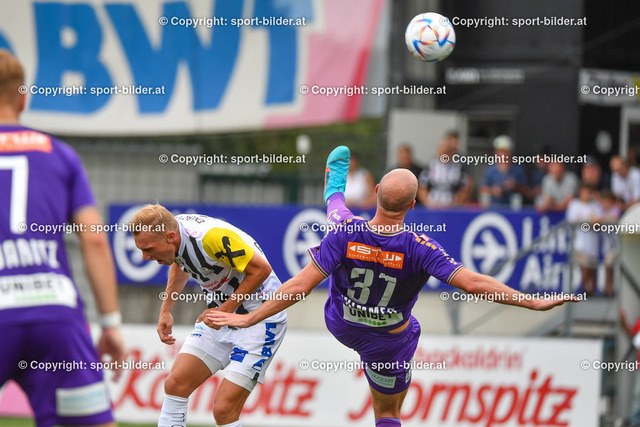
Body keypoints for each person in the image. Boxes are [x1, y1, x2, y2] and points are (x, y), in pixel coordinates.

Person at [206, 146, 575, 427]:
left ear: (377, 189)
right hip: (388, 341)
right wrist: (531, 302)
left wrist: (250, 317)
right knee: (387, 412)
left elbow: (299, 286)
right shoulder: (421, 248)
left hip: (342, 323)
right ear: (413, 205)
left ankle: (334, 188)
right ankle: (334, 191)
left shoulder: (345, 233)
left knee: (339, 216)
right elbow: (475, 283)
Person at [0, 50, 124, 426]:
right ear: (23, 98)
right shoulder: (61, 154)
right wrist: (110, 323)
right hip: (55, 314)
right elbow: (95, 240)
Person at [128, 204, 287, 427]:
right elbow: (180, 260)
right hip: (220, 319)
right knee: (175, 384)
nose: (145, 257)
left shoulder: (210, 238)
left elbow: (261, 270)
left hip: (260, 322)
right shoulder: (175, 235)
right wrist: (166, 310)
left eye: (149, 249)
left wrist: (225, 309)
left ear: (170, 237)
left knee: (224, 410)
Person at [417, 133, 472, 208]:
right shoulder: (430, 166)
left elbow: (465, 188)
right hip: (433, 204)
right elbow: (422, 187)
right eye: (442, 152)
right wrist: (428, 203)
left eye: (447, 152)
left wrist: (457, 204)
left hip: (452, 205)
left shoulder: (459, 168)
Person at [565, 184, 600, 296]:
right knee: (584, 267)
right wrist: (589, 221)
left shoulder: (595, 206)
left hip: (592, 243)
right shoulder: (574, 205)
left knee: (591, 268)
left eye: (589, 192)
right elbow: (572, 221)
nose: (586, 195)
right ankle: (583, 290)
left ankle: (590, 291)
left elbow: (598, 223)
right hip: (579, 243)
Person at [479, 135, 527, 207]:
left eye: (505, 152)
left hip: (513, 207)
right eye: (500, 152)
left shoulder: (518, 170)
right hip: (494, 207)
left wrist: (515, 185)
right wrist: (493, 190)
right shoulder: (490, 170)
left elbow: (526, 191)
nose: (502, 155)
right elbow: (482, 189)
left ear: (510, 153)